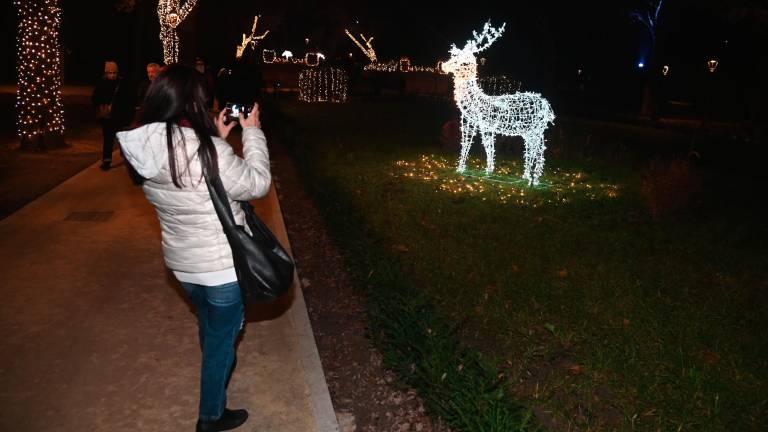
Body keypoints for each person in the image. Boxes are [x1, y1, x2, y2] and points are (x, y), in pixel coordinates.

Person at [116, 64, 271, 432]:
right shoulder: (208, 152)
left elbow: (187, 176)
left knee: (211, 327)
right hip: (219, 269)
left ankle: (214, 393)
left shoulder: (144, 147)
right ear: (195, 104)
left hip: (183, 266)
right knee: (221, 344)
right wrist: (253, 133)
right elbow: (258, 183)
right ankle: (211, 417)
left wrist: (215, 135)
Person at [91, 61, 131, 170]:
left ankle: (127, 158)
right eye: (110, 72)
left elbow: (128, 100)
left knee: (123, 139)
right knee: (108, 139)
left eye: (114, 72)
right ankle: (107, 161)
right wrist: (101, 105)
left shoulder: (122, 84)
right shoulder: (101, 83)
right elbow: (95, 98)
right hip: (107, 117)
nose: (112, 75)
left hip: (120, 116)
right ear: (106, 73)